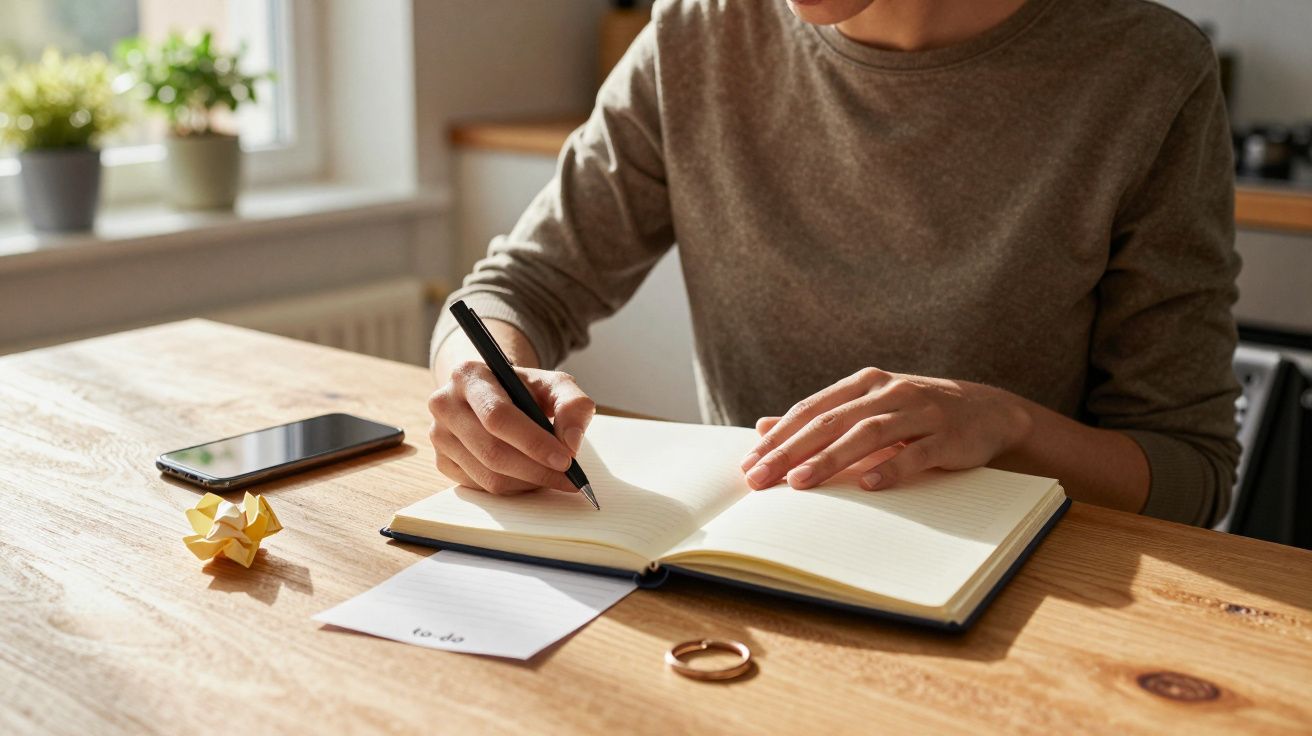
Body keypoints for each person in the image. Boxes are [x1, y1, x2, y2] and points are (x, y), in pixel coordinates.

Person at [427, 0, 1242, 527]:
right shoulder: (695, 36)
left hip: (1024, 606)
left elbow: (1190, 472)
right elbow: (515, 289)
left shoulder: (1147, 72)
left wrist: (1008, 424)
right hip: (745, 580)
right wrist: (478, 379)